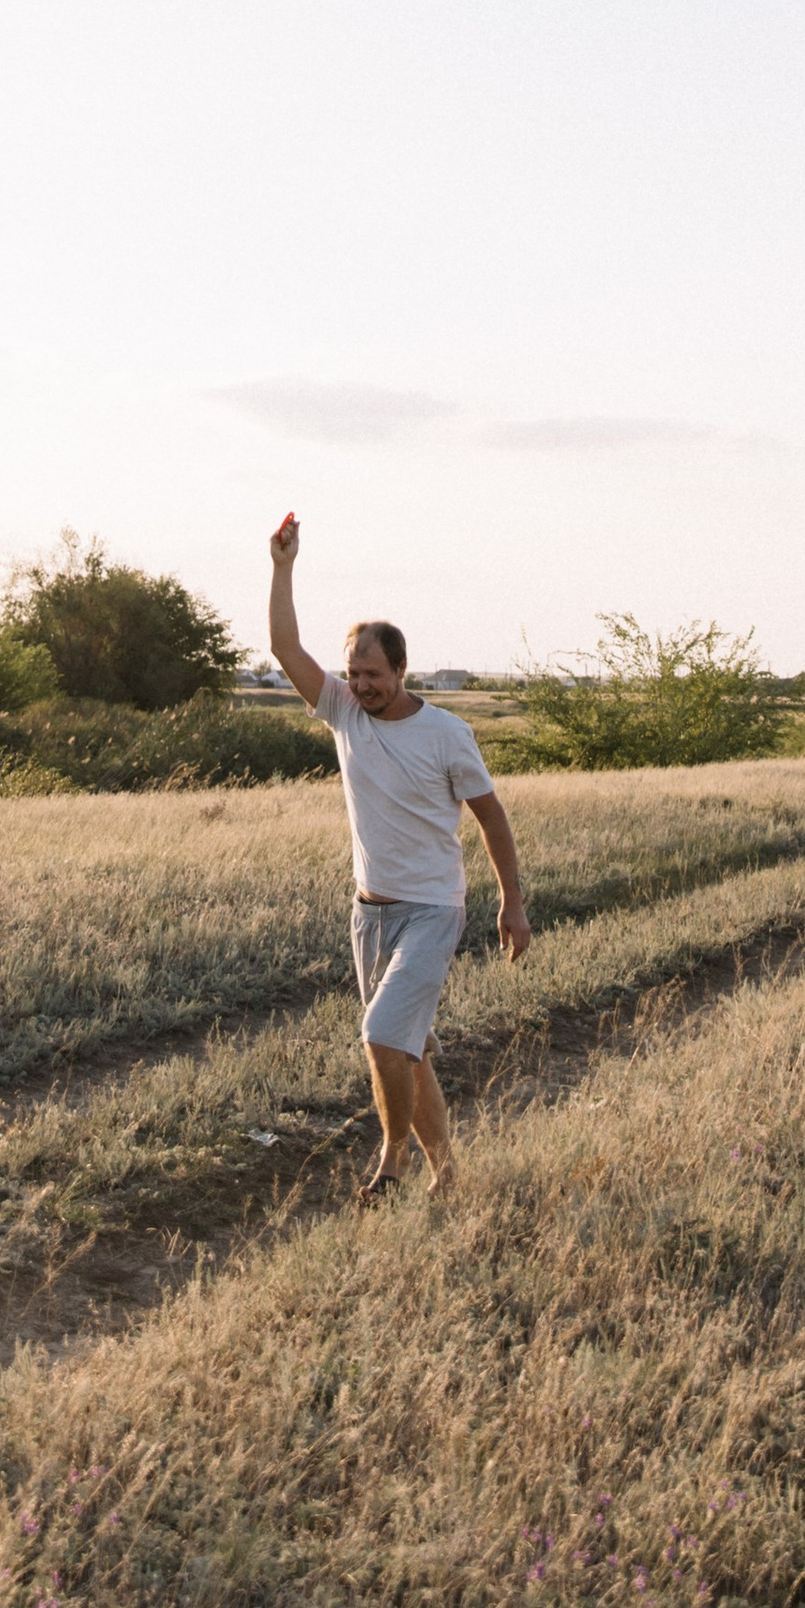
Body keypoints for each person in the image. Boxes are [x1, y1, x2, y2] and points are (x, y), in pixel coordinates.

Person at [267, 512, 529, 1198]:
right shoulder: (342, 711)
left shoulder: (447, 733)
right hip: (369, 915)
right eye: (352, 673)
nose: (360, 685)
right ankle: (448, 1173)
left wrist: (512, 901)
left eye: (373, 673)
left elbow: (491, 816)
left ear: (401, 668)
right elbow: (285, 644)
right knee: (406, 1055)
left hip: (432, 910)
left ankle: (392, 1157)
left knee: (382, 1034)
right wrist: (283, 567)